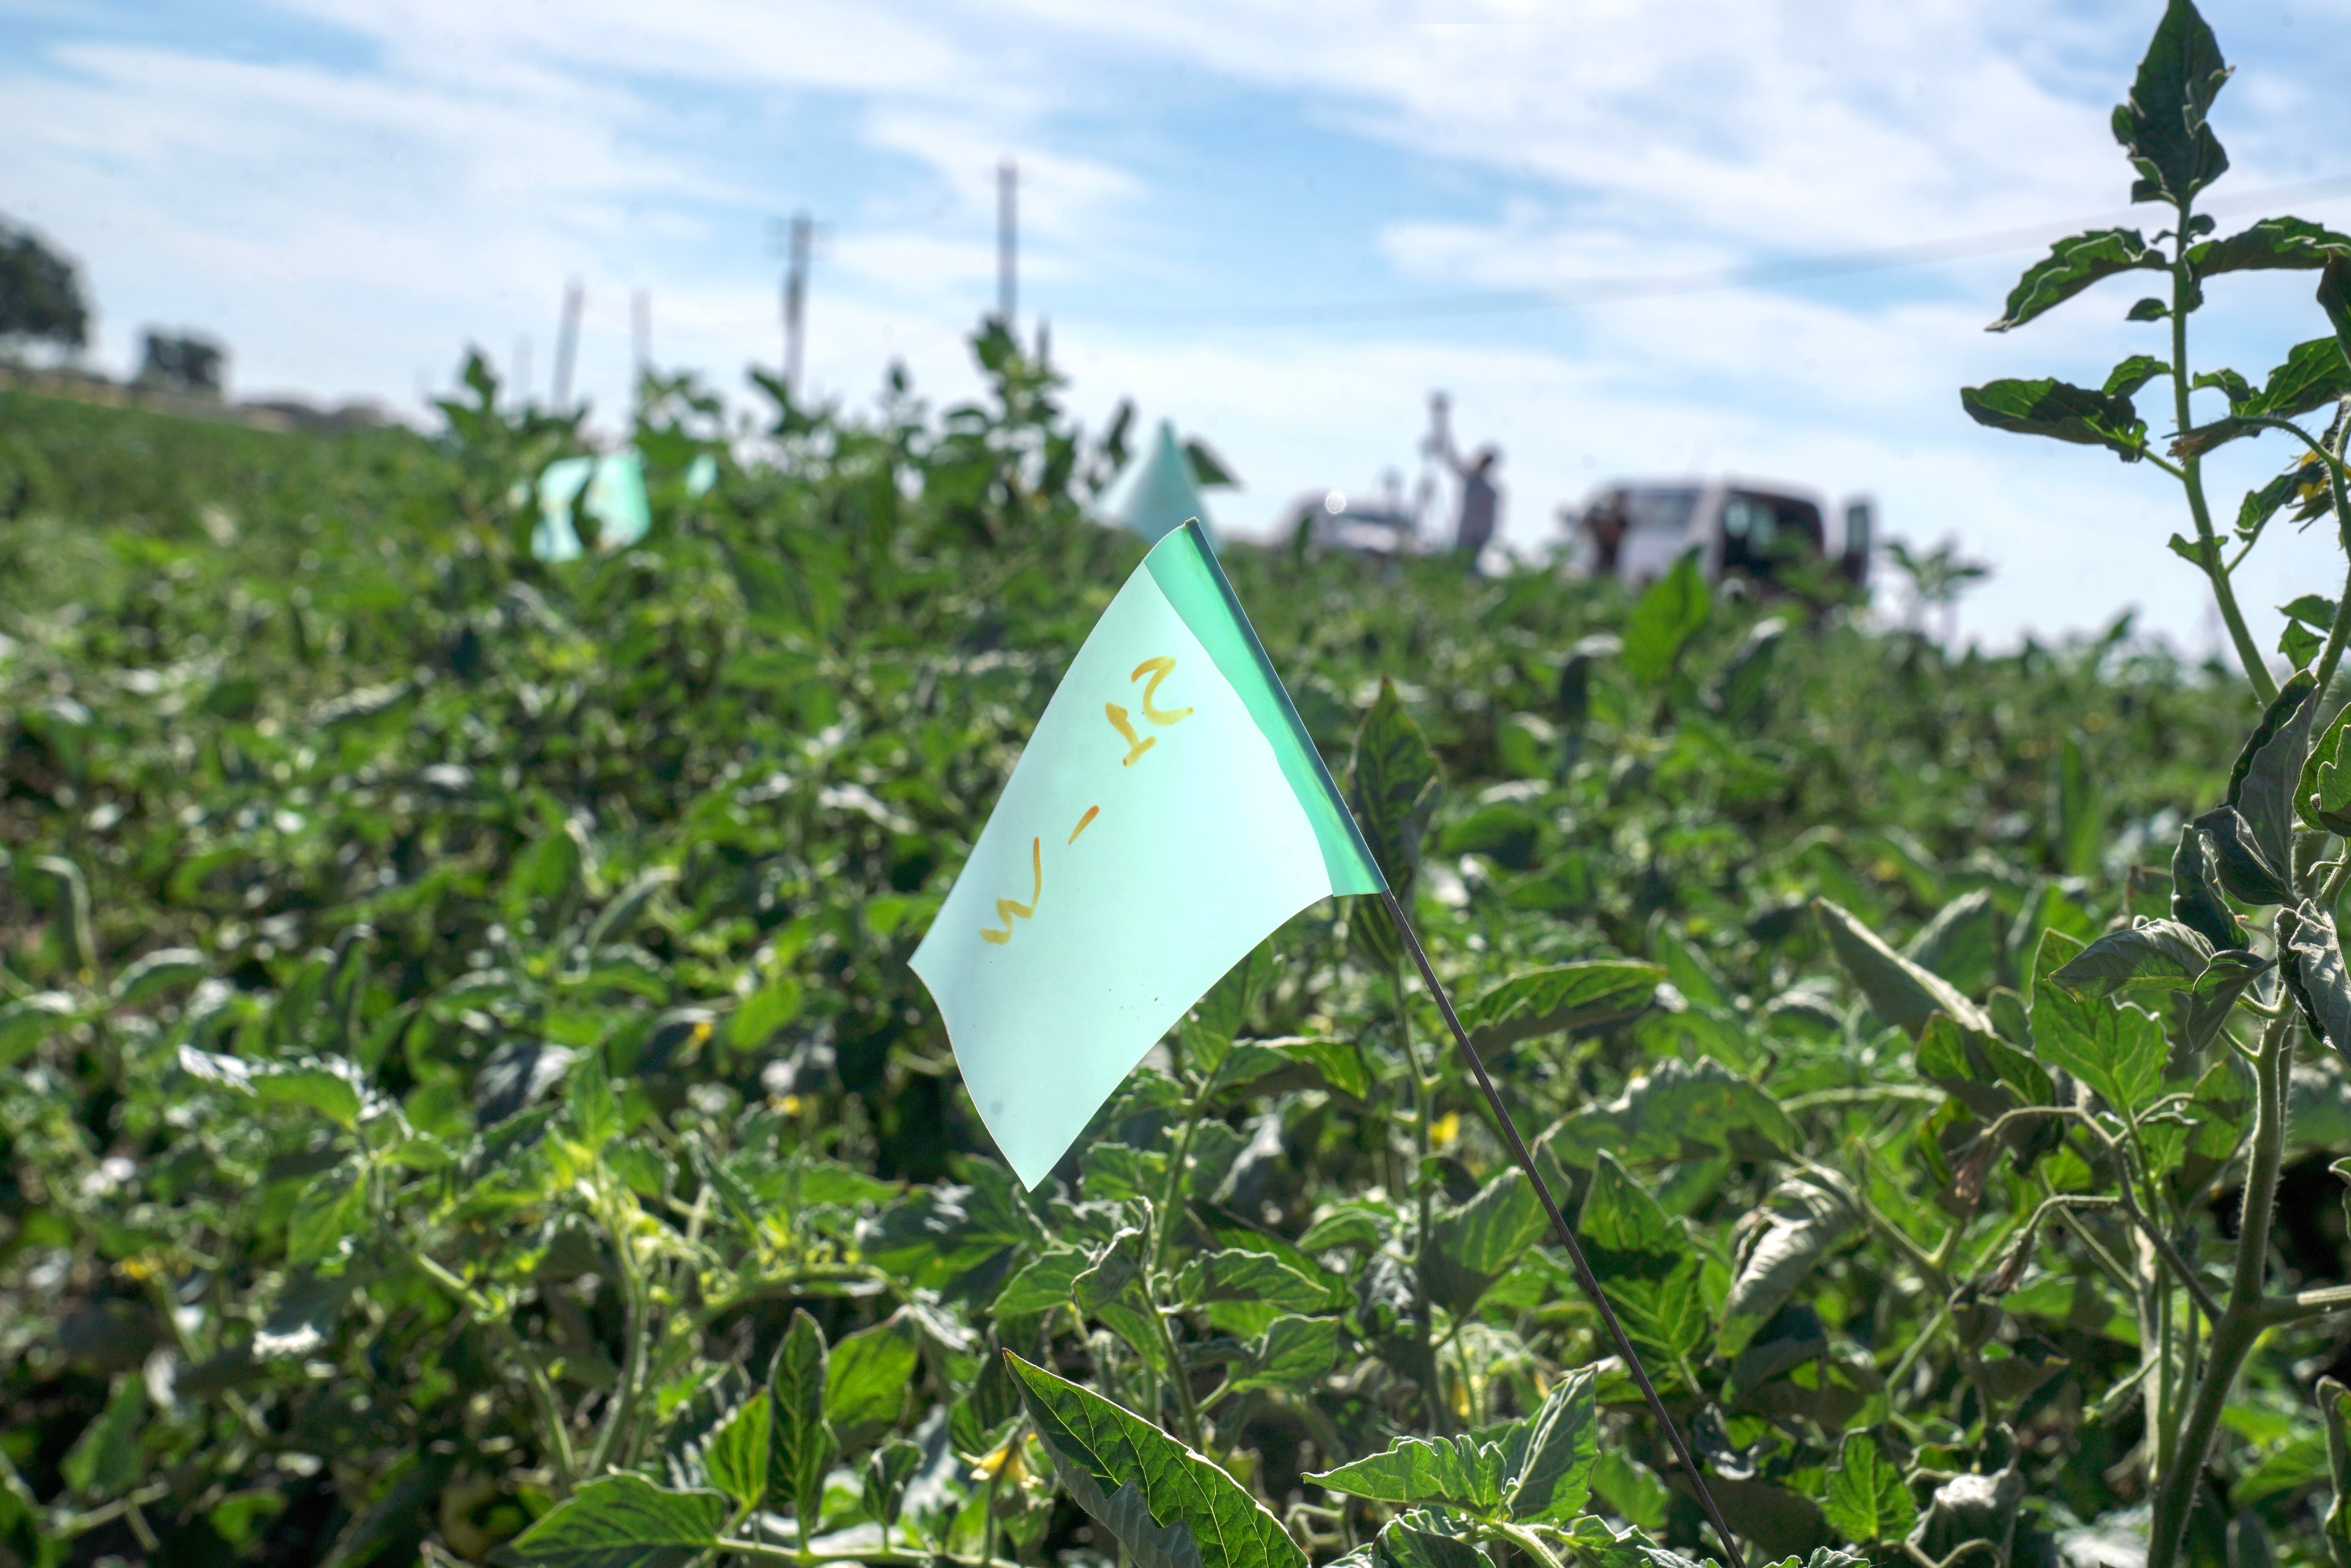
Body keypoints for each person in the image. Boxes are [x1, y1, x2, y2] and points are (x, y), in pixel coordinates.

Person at [1427, 393, 1502, 563]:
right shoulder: (1472, 481)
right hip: (1465, 538)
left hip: (1476, 541)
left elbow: (1493, 518)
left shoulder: (1488, 490)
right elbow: (1448, 452)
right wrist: (1440, 420)